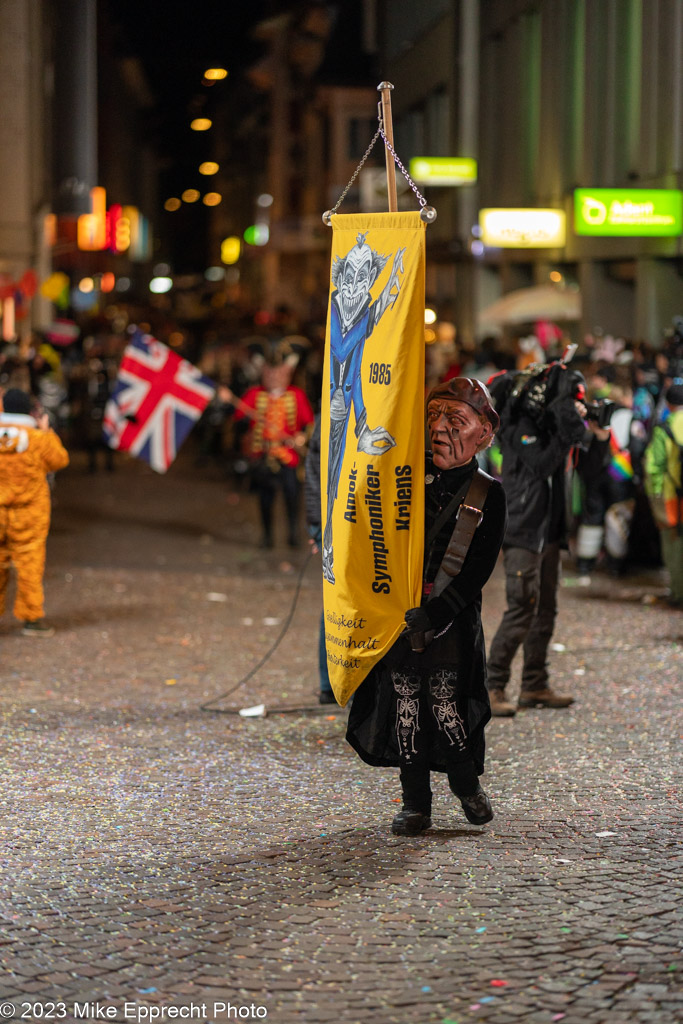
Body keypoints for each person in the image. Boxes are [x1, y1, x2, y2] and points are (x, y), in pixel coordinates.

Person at [346, 378, 507, 836]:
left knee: (445, 704)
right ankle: (416, 802)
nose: (440, 429)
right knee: (405, 706)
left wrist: (437, 613)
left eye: (456, 420)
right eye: (434, 416)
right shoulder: (402, 475)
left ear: (483, 433)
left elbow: (478, 569)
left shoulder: (487, 493)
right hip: (399, 618)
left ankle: (465, 783)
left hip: (450, 621)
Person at [485, 360, 603, 716]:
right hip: (523, 529)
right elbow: (541, 464)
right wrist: (567, 428)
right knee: (521, 607)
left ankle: (534, 684)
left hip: (549, 530)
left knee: (545, 610)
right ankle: (493, 686)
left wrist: (585, 427)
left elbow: (592, 465)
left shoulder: (553, 424)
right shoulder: (518, 425)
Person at [227, 338, 314, 549]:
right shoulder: (254, 395)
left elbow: (309, 424)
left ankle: (293, 534)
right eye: (269, 373)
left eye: (278, 373)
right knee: (265, 498)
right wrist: (229, 401)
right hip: (262, 456)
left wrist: (301, 438)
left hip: (288, 456)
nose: (274, 377)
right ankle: (267, 535)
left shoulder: (297, 396)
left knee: (292, 496)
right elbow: (237, 417)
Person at [0, 388, 69, 636]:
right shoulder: (37, 439)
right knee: (30, 566)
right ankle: (32, 619)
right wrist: (46, 430)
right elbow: (60, 460)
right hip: (30, 515)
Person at [303, 415, 335, 704]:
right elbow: (316, 470)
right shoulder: (330, 408)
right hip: (332, 519)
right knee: (336, 599)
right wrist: (316, 521)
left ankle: (332, 683)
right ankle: (330, 683)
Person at [644, 383, 683, 607]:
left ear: (668, 404)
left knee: (674, 545)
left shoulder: (664, 428)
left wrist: (654, 494)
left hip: (671, 497)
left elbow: (653, 467)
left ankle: (678, 594)